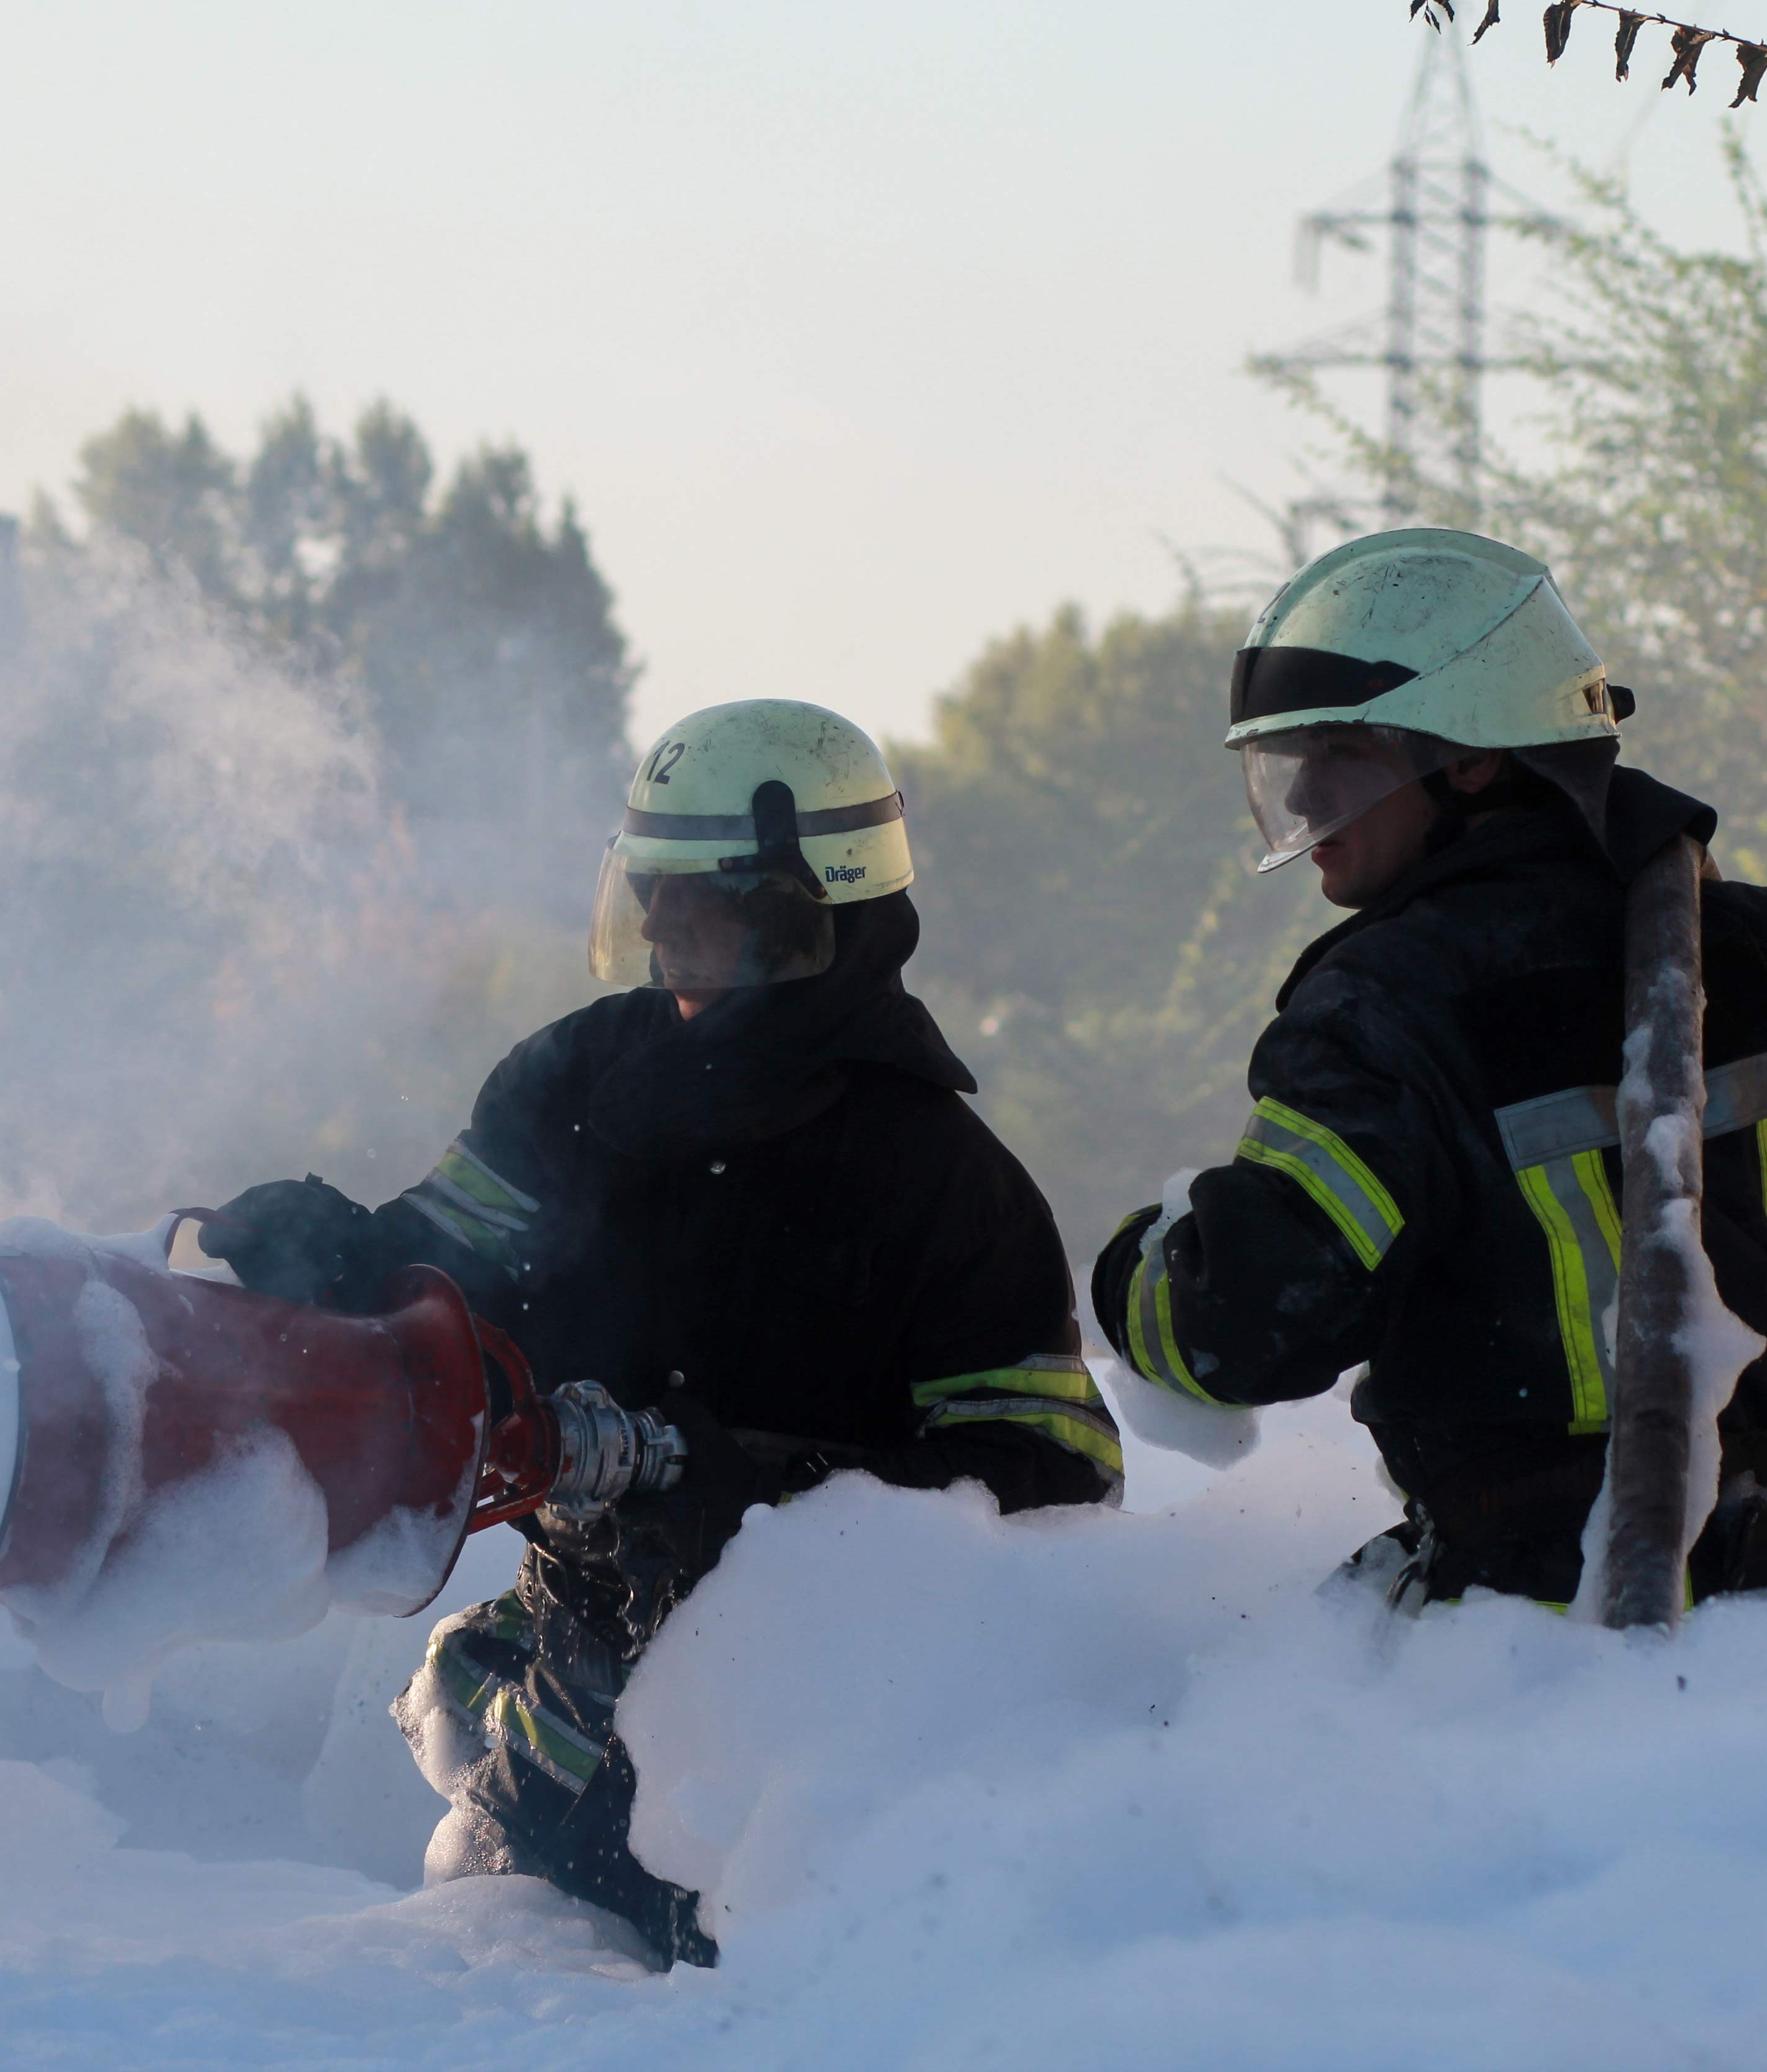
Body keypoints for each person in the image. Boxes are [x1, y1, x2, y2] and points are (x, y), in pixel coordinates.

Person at [198, 699, 1118, 1968]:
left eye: (701, 896)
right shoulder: (577, 1082)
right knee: (505, 1897)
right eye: (649, 884)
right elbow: (449, 1268)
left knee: (721, 1968)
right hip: (575, 1627)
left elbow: (1057, 1475)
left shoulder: (946, 1182)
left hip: (805, 1698)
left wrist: (768, 1492)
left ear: (813, 914)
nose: (656, 924)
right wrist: (346, 1259)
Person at [1090, 527, 1767, 1611]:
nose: (1302, 803)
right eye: (1291, 763)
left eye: (1341, 755)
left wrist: (1135, 1270)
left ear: (1475, 761)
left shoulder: (1384, 1006)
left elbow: (1244, 1328)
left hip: (1525, 1624)